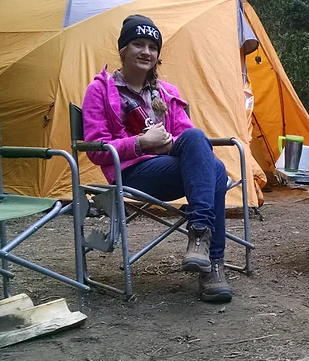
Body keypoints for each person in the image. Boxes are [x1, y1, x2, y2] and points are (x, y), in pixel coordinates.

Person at [82, 15, 232, 303]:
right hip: (132, 174)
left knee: (198, 141)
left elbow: (187, 138)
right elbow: (95, 148)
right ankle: (212, 265)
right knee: (215, 169)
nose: (146, 52)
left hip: (171, 171)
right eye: (138, 43)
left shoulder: (166, 93)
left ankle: (200, 237)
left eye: (152, 46)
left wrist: (165, 144)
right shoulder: (100, 90)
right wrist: (140, 144)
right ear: (123, 50)